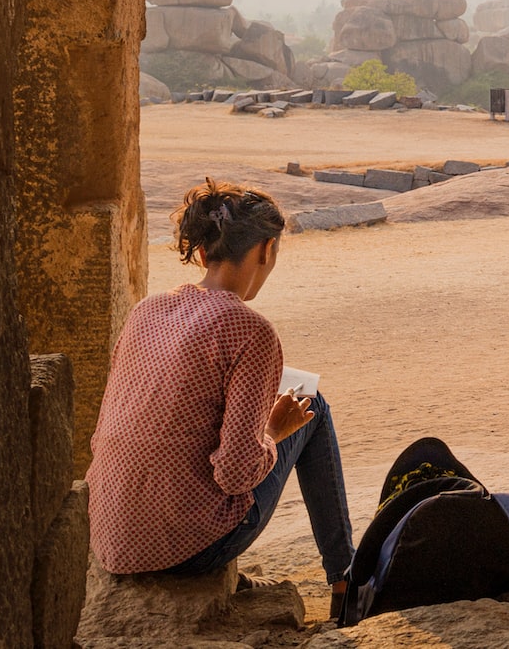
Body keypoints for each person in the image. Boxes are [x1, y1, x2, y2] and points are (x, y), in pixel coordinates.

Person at [86, 179, 353, 614]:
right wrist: (272, 428)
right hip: (184, 549)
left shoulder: (147, 310)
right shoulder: (249, 330)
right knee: (313, 404)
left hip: (111, 536)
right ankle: (345, 579)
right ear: (266, 250)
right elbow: (236, 474)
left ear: (205, 252)